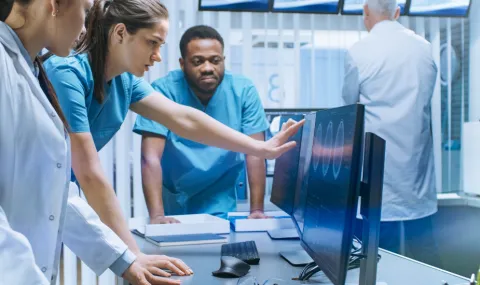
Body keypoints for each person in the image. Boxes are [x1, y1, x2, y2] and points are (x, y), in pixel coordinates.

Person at [43, 0, 302, 272]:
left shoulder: (124, 82)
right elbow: (89, 172)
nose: (157, 56)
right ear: (120, 33)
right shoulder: (67, 73)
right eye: (152, 43)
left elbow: (185, 119)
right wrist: (132, 254)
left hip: (54, 194)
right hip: (30, 192)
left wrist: (260, 148)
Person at [0, 0, 191, 285]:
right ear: (54, 5)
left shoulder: (29, 69)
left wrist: (125, 259)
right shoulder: (20, 69)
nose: (87, 26)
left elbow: (55, 191)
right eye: (86, 11)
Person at [133, 25, 269, 223]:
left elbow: (256, 153)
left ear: (223, 60)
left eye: (215, 60)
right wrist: (157, 215)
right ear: (182, 63)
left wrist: (256, 209)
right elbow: (150, 157)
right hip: (176, 197)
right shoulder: (163, 90)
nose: (207, 68)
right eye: (198, 61)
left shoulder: (243, 90)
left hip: (219, 196)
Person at [342, 0, 440, 264]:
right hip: (417, 175)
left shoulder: (359, 52)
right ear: (397, 13)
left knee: (377, 260)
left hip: (378, 175)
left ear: (365, 14)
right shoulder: (424, 47)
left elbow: (350, 106)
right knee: (425, 259)